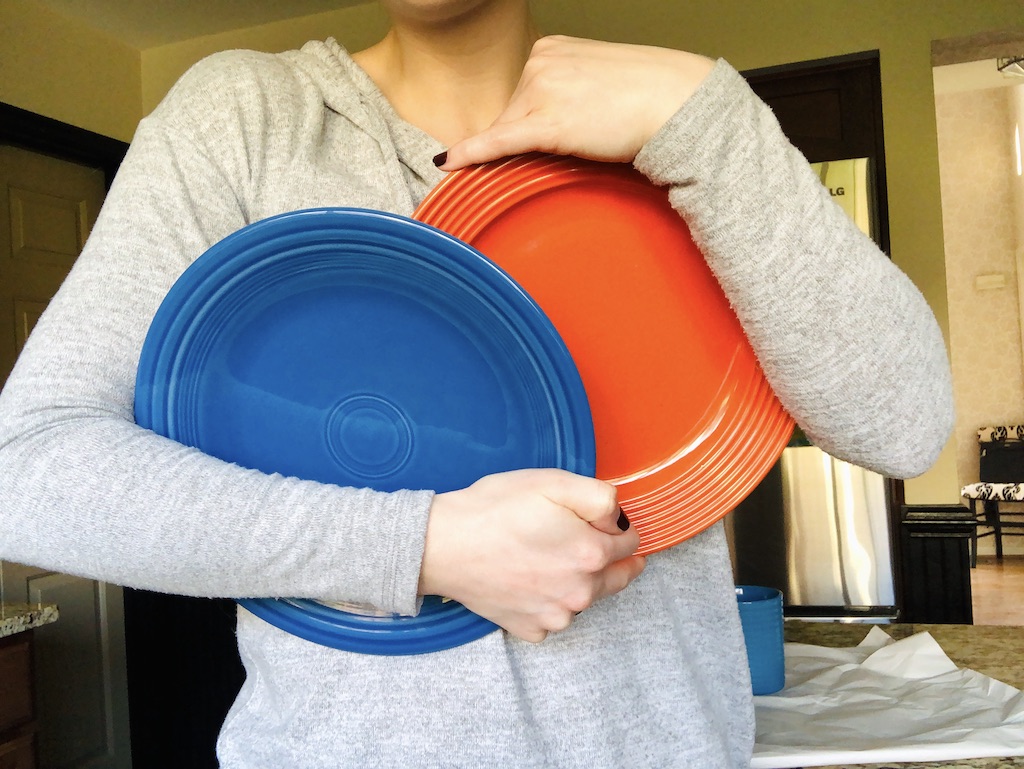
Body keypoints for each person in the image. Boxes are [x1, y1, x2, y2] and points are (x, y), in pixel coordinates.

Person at [0, 0, 954, 767]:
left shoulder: (678, 123)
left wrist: (710, 120)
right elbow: (27, 468)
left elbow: (905, 425)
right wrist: (423, 543)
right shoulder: (245, 118)